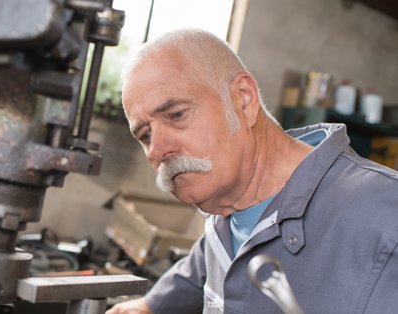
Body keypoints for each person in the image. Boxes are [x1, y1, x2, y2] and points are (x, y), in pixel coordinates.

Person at [106, 28, 398, 314]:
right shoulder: (228, 208)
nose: (156, 150)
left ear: (243, 100)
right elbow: (211, 258)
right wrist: (150, 305)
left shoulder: (384, 215)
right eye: (145, 135)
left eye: (176, 115)